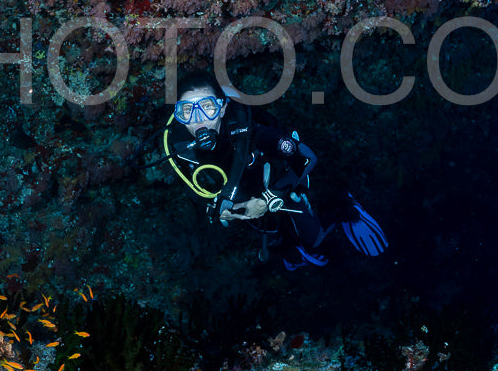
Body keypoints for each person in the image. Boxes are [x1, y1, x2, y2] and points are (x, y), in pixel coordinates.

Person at [161, 70, 388, 270]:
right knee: (273, 238)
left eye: (208, 107)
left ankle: (344, 208)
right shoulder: (180, 147)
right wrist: (216, 210)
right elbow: (193, 189)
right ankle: (290, 248)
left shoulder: (249, 131)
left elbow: (307, 158)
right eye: (187, 110)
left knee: (313, 238)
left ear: (222, 109)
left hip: (282, 183)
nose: (198, 119)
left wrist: (267, 198)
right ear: (178, 115)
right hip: (248, 196)